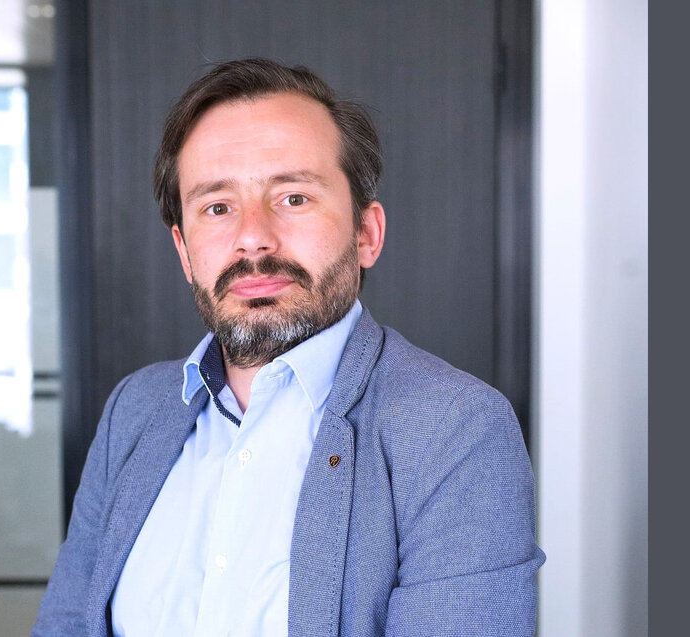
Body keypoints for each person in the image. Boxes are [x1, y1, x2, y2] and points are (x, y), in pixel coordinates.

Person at [33, 57, 544, 637]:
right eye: (217, 207)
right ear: (183, 251)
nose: (252, 235)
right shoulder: (135, 410)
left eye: (293, 197)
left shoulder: (455, 429)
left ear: (366, 234)